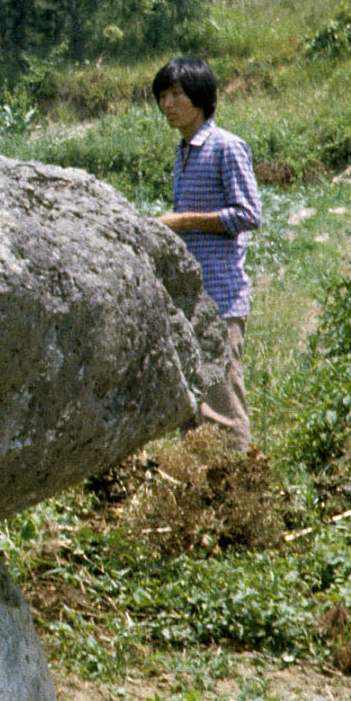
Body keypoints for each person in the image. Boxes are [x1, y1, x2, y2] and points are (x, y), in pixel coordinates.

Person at [151, 55, 261, 450]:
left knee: (223, 401)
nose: (167, 104)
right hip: (192, 299)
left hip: (221, 296)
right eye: (161, 96)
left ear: (200, 97)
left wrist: (181, 222)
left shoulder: (226, 147)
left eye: (176, 94)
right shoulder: (183, 153)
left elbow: (248, 213)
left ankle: (240, 487)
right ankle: (202, 491)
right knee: (194, 404)